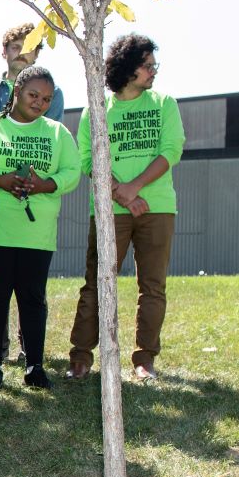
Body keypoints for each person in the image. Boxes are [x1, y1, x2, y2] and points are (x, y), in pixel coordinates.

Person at [68, 33, 184, 381]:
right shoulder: (97, 109)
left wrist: (133, 188)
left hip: (157, 207)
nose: (153, 72)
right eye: (147, 66)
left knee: (153, 286)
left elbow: (171, 150)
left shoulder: (164, 103)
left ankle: (144, 359)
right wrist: (121, 194)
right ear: (127, 68)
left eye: (153, 66)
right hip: (109, 211)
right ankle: (81, 356)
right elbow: (88, 159)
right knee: (97, 283)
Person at [0, 66, 79, 389]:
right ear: (17, 92)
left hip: (37, 235)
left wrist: (46, 185)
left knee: (33, 300)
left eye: (46, 99)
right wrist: (0, 180)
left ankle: (34, 366)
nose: (39, 103)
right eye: (33, 95)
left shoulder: (57, 133)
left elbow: (72, 172)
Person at [0, 22, 66, 125]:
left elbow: (51, 137)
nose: (21, 53)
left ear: (36, 54)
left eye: (28, 48)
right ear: (4, 51)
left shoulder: (53, 94)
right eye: (16, 47)